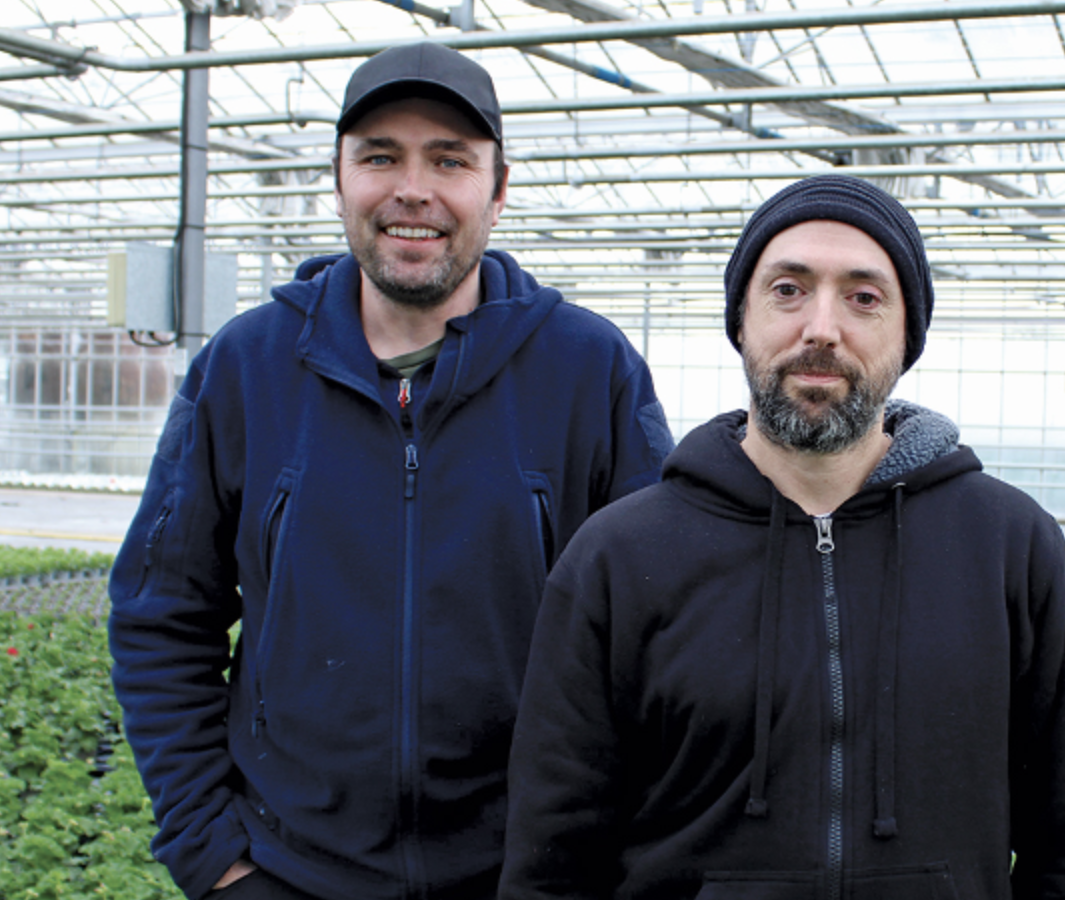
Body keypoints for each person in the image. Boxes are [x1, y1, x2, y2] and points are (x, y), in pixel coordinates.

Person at [108, 42, 674, 900]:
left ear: (498, 188)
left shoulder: (588, 370)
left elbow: (661, 635)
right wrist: (215, 861)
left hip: (523, 876)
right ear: (339, 180)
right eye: (380, 157)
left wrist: (598, 856)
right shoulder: (246, 370)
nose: (413, 189)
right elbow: (160, 618)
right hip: (289, 871)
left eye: (450, 160)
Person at [500, 174, 1065, 900]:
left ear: (908, 335)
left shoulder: (1010, 548)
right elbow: (553, 866)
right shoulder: (618, 559)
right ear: (741, 319)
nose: (821, 328)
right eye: (788, 290)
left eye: (864, 297)